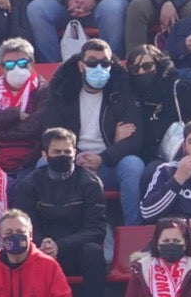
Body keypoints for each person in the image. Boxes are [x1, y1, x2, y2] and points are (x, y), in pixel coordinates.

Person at [39, 40, 144, 215]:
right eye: (93, 62)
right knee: (43, 163)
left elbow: (135, 139)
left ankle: (132, 230)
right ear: (81, 66)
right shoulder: (62, 92)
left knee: (133, 166)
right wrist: (77, 156)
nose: (99, 68)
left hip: (109, 164)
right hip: (71, 160)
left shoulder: (123, 91)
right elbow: (50, 134)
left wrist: (103, 157)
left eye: (104, 63)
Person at [7, 128, 107, 297]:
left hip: (76, 252)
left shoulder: (91, 183)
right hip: (40, 250)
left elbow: (96, 230)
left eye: (67, 152)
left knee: (94, 253)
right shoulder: (29, 184)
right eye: (56, 152)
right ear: (45, 155)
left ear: (74, 153)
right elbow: (23, 225)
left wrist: (60, 245)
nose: (62, 156)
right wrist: (42, 244)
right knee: (18, 250)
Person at [122, 44, 191, 207]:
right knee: (147, 170)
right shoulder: (131, 98)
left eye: (147, 66)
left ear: (159, 65)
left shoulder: (185, 89)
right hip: (153, 161)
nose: (141, 72)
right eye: (135, 69)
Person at [0, 39, 51, 174]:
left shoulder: (44, 90)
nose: (16, 68)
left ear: (32, 64)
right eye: (9, 64)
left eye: (22, 63)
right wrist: (15, 114)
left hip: (30, 161)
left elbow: (36, 126)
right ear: (2, 68)